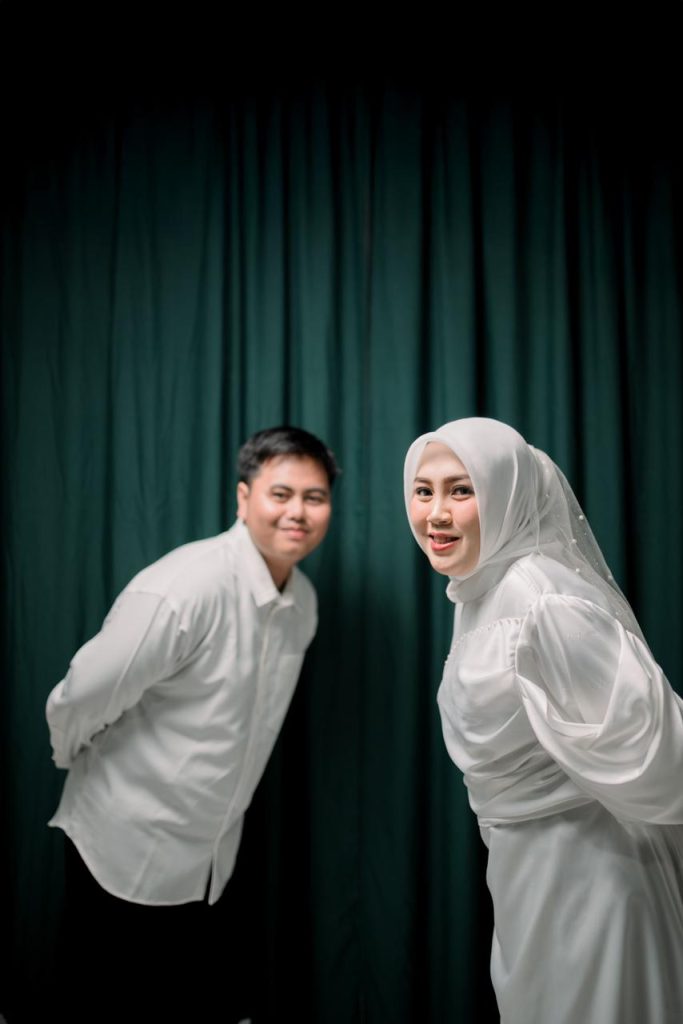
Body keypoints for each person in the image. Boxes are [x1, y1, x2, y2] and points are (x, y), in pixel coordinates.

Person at [46, 425, 339, 1023]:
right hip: (122, 844)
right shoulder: (188, 586)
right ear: (243, 498)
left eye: (314, 497)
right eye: (281, 494)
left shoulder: (303, 603)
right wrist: (74, 758)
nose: (298, 512)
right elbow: (81, 694)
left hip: (211, 854)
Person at [404, 416, 683, 1024]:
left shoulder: (543, 602)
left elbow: (666, 753)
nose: (436, 513)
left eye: (461, 489)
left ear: (504, 491)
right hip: (528, 876)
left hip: (596, 881)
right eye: (424, 491)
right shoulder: (482, 590)